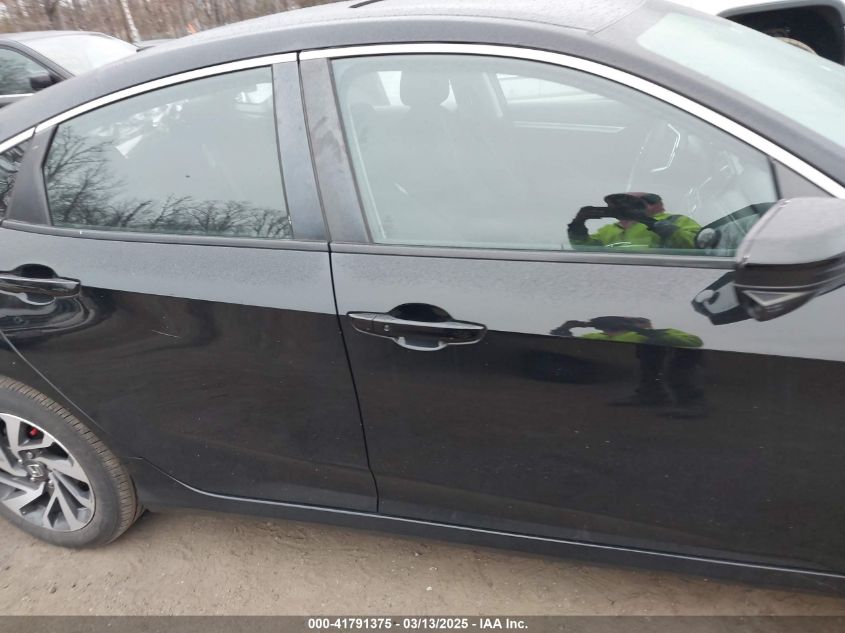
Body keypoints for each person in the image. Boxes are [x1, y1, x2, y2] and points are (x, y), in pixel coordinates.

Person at [567, 192, 701, 249]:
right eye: (618, 204)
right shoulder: (608, 230)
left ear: (656, 204)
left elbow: (696, 244)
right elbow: (583, 247)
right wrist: (577, 224)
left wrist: (653, 223)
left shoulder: (677, 220)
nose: (625, 207)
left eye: (632, 202)